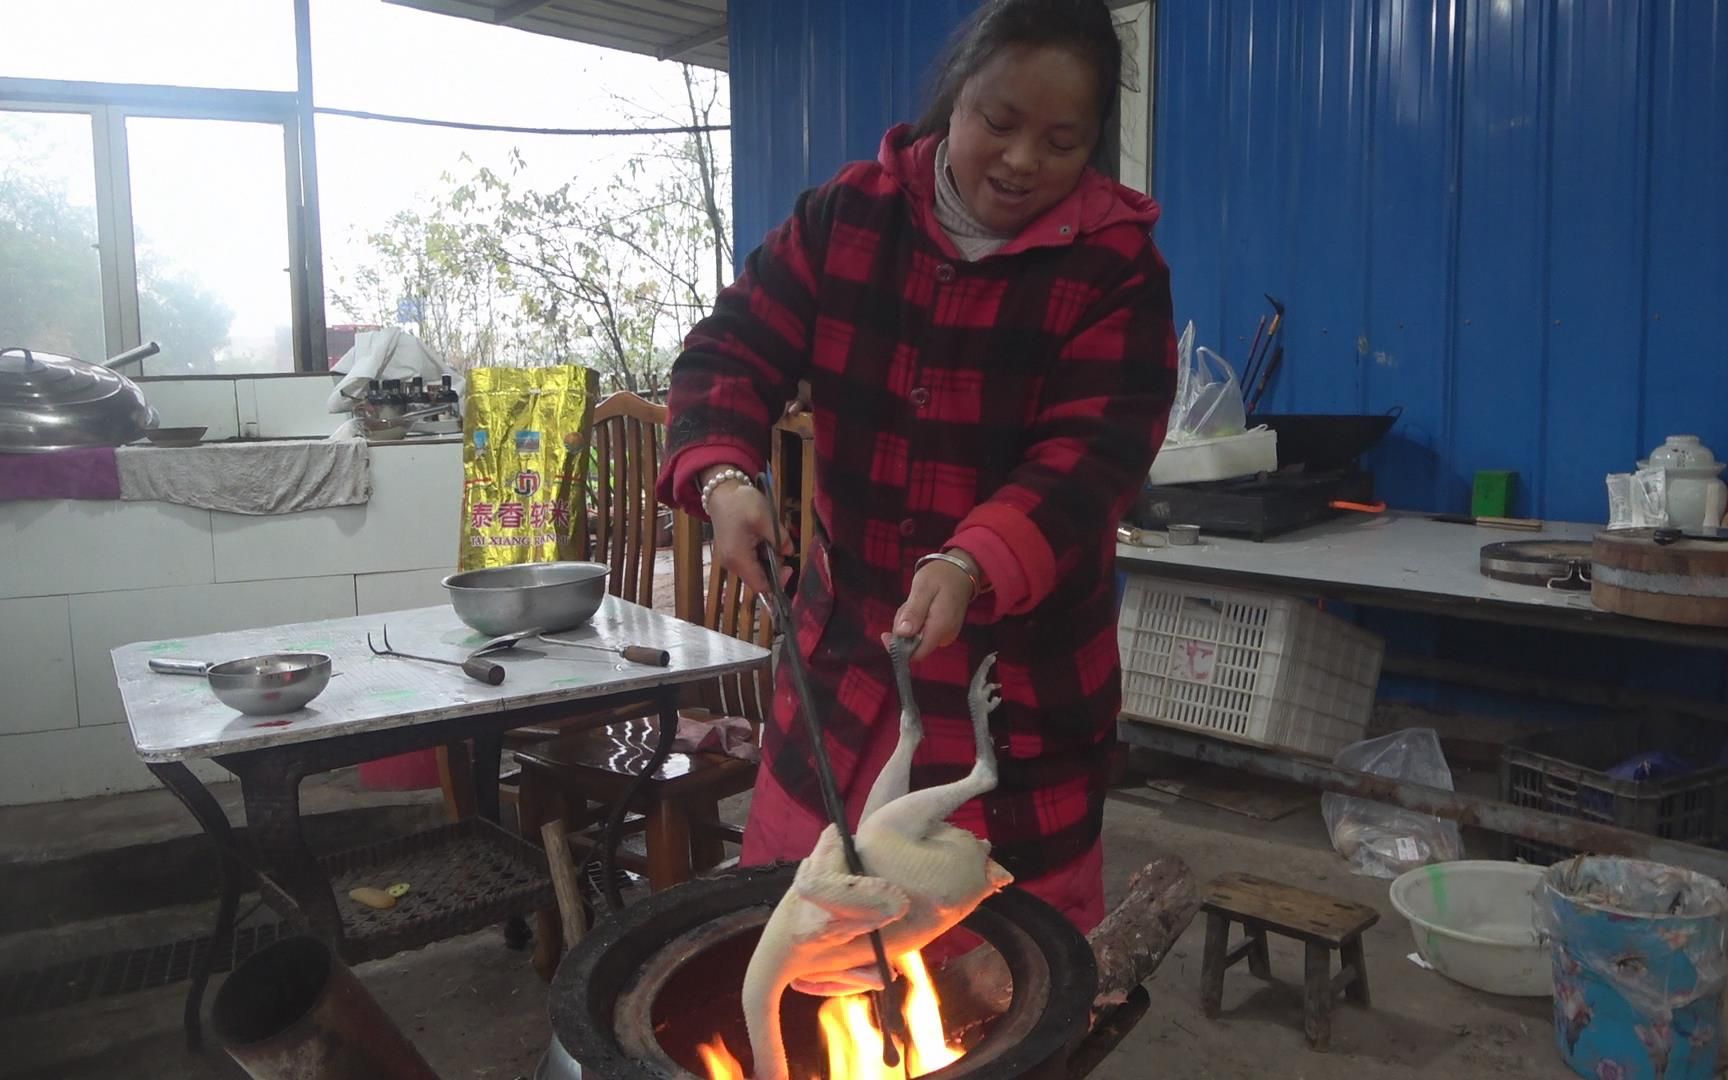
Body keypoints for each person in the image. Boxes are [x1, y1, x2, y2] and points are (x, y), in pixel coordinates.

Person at [655, 0, 1177, 942]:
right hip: (843, 664)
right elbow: (728, 353)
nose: (1021, 161)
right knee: (805, 932)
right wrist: (725, 478)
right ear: (954, 100)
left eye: (1061, 141)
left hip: (1016, 686)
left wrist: (971, 560)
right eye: (1000, 123)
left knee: (991, 966)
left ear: (1095, 142)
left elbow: (1088, 459)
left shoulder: (1115, 270)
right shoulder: (847, 218)